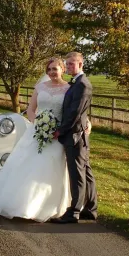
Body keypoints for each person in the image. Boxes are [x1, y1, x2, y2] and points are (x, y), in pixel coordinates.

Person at [0, 57, 78, 222]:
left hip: (57, 135)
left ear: (62, 69)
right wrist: (38, 125)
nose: (51, 72)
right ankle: (21, 205)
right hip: (37, 132)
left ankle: (47, 206)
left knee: (52, 167)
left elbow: (73, 111)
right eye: (49, 69)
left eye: (55, 69)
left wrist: (57, 129)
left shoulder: (68, 89)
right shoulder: (40, 87)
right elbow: (31, 109)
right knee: (27, 164)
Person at [50, 52, 98, 224]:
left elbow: (74, 113)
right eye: (67, 64)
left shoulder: (82, 85)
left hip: (75, 136)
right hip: (79, 134)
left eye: (71, 64)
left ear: (80, 64)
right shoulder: (77, 83)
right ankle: (91, 209)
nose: (69, 66)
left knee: (76, 174)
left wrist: (60, 131)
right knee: (86, 172)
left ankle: (74, 212)